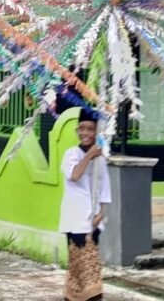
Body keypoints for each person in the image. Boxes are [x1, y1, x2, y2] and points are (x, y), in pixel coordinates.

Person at [59, 108, 111, 301]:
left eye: (90, 129)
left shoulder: (100, 160)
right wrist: (89, 155)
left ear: (96, 131)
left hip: (93, 219)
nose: (85, 133)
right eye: (81, 128)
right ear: (77, 131)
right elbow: (74, 175)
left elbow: (105, 188)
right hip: (75, 219)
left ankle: (73, 297)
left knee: (87, 268)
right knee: (82, 268)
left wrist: (101, 214)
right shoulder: (71, 154)